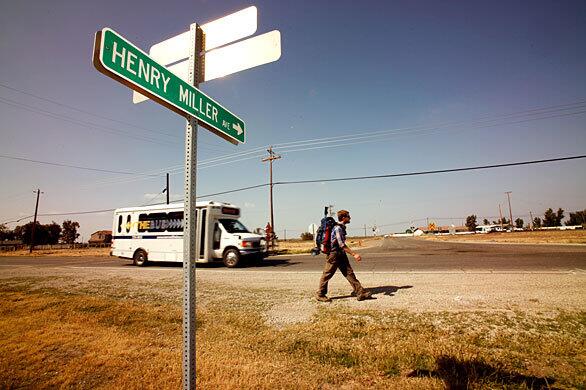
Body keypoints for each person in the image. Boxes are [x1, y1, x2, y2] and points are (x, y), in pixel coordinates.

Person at [316, 209, 372, 302]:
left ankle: (360, 292)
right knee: (327, 274)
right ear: (343, 218)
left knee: (349, 273)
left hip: (340, 254)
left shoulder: (341, 227)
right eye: (348, 216)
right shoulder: (338, 228)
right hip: (334, 254)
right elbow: (341, 244)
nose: (350, 218)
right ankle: (320, 294)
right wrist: (354, 254)